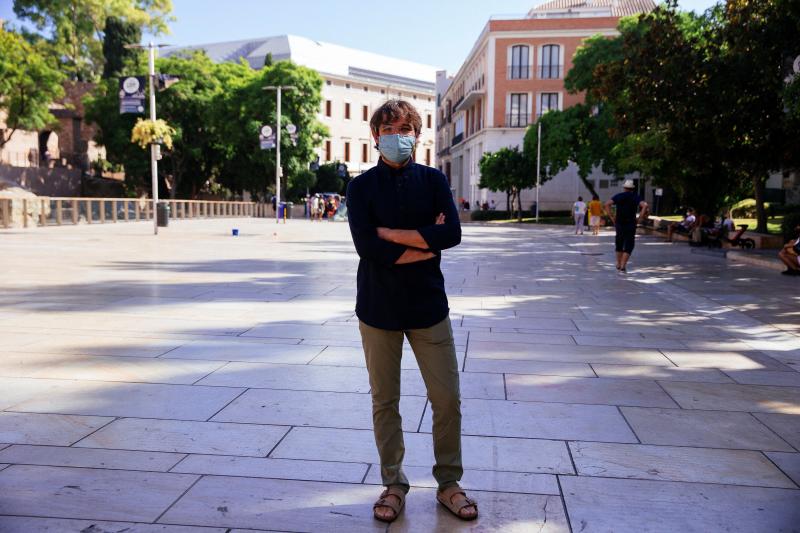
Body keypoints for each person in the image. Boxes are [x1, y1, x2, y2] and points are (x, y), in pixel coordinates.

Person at [346, 99, 477, 523]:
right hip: (378, 307)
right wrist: (424, 241)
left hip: (428, 306)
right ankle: (393, 483)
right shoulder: (360, 188)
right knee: (385, 400)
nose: (396, 136)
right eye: (388, 129)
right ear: (375, 137)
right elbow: (368, 247)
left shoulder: (434, 180)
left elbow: (451, 234)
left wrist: (391, 234)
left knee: (447, 398)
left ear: (417, 136)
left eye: (404, 129)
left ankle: (449, 482)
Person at [605, 180, 648, 273]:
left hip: (619, 223)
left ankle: (618, 263)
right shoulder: (635, 197)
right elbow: (645, 205)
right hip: (631, 223)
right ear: (632, 189)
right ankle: (623, 265)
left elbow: (607, 204)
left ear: (624, 188)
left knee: (619, 242)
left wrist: (611, 217)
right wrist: (639, 218)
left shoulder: (619, 196)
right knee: (629, 244)